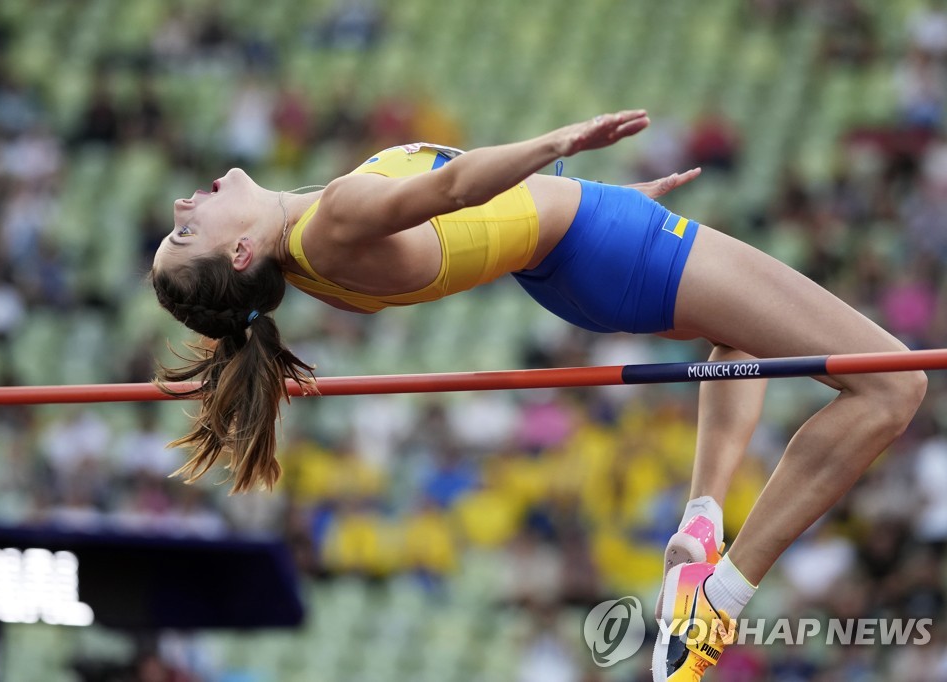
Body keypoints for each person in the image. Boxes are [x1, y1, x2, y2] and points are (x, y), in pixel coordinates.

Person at [150, 110, 926, 681]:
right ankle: (721, 596)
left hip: (583, 250)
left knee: (746, 344)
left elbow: (486, 226)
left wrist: (601, 197)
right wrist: (562, 146)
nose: (183, 208)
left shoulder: (318, 253)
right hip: (600, 246)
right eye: (185, 234)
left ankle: (701, 527)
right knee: (894, 386)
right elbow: (453, 189)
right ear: (241, 252)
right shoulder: (331, 225)